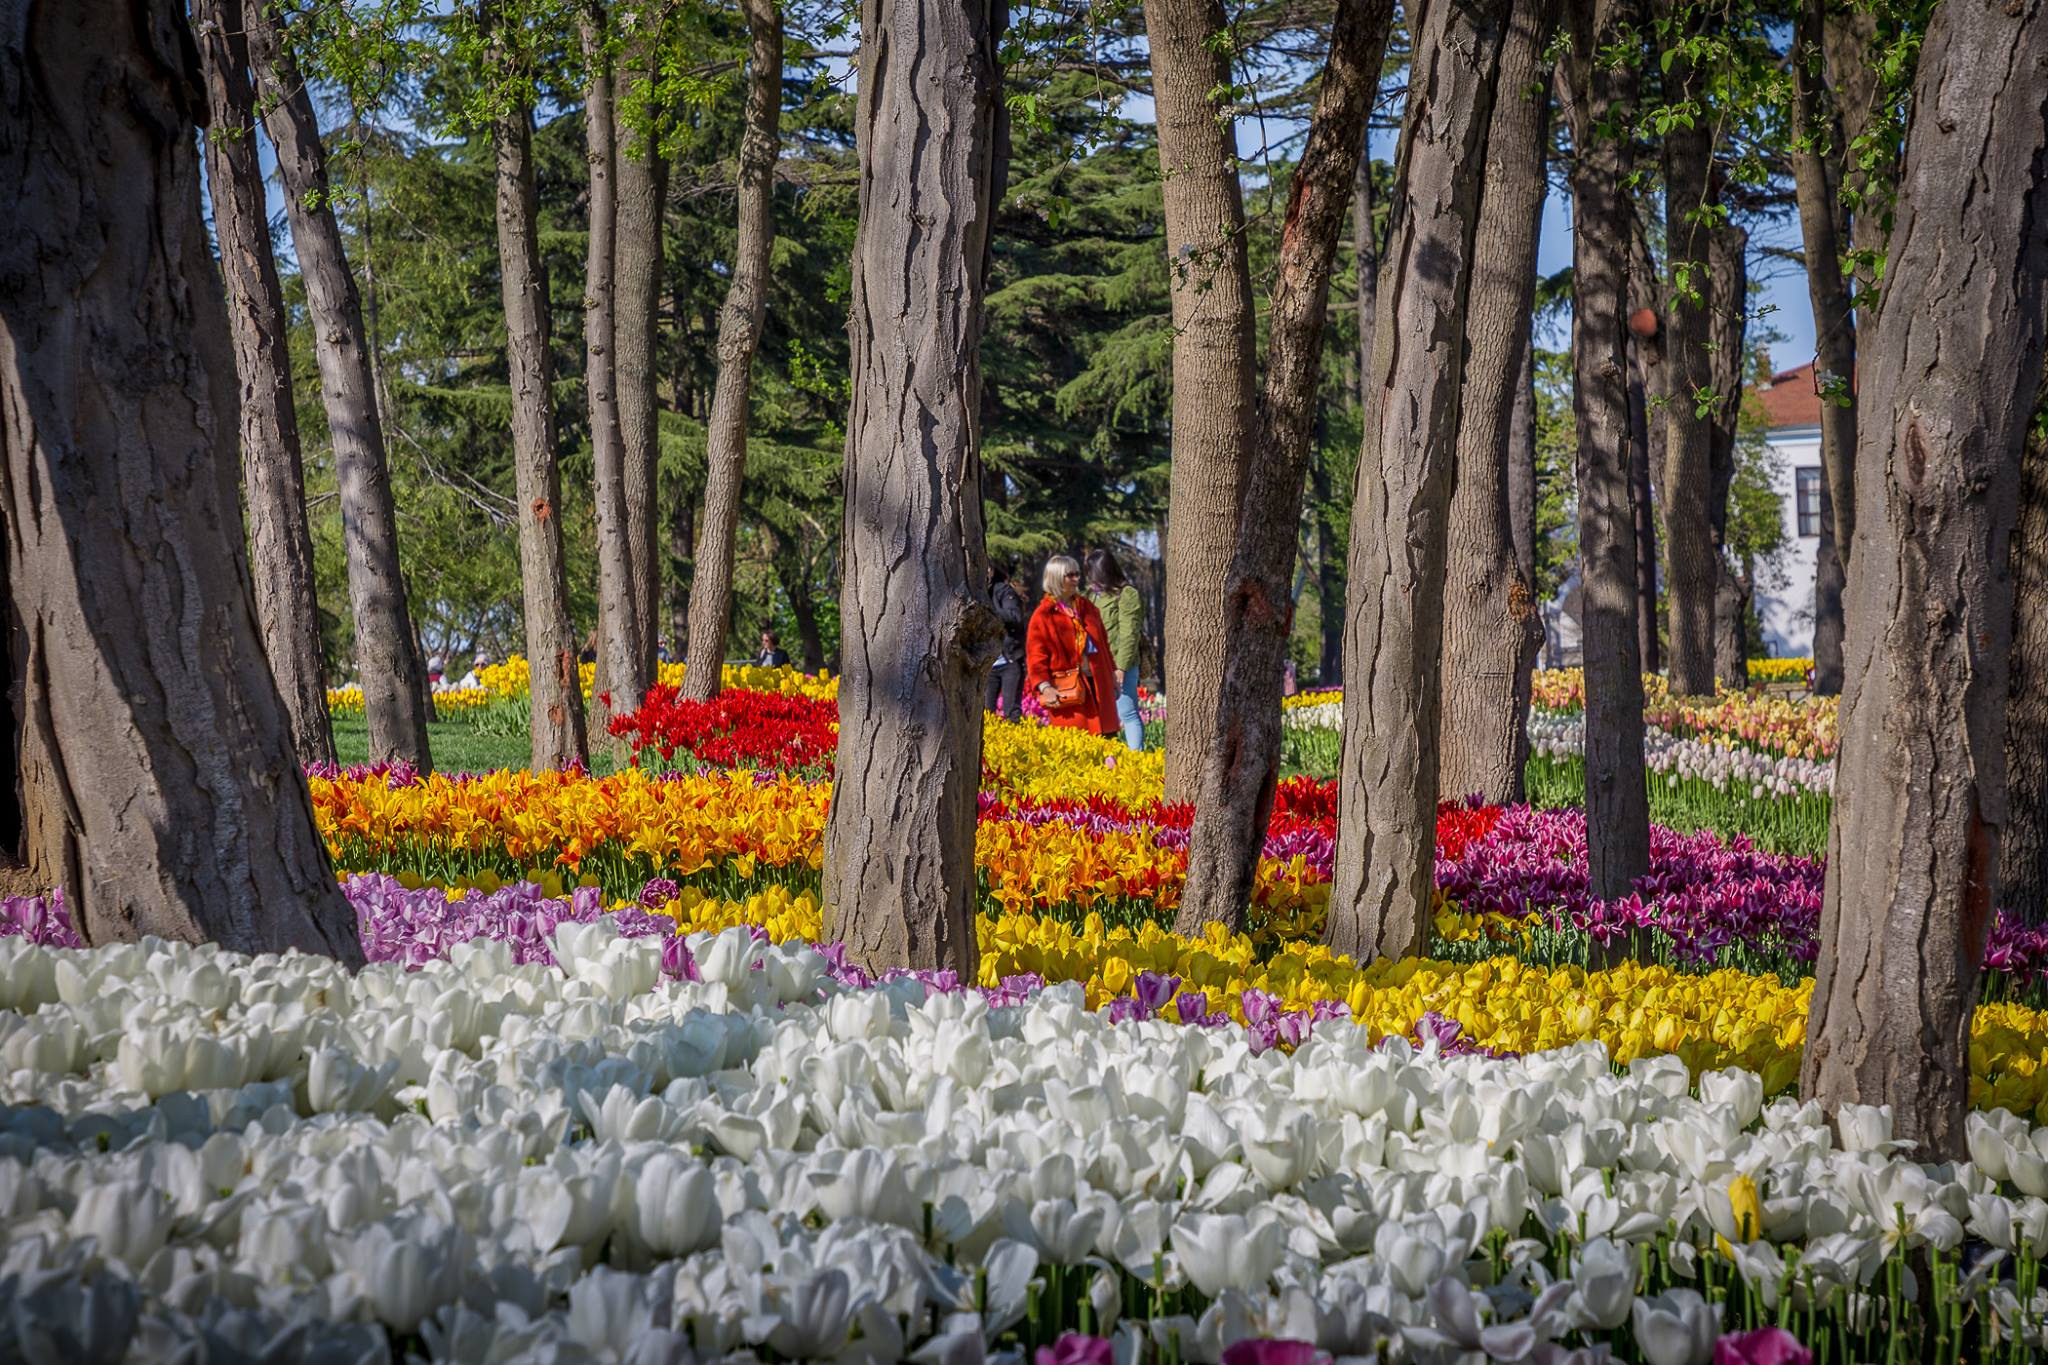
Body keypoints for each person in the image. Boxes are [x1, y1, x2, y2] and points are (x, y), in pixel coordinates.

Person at [1025, 555, 1118, 736]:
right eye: (1070, 575)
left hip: (1099, 683)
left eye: (1077, 574)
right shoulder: (1043, 615)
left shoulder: (1087, 607)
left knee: (1108, 743)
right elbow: (1036, 658)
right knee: (1078, 747)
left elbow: (1104, 645)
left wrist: (1113, 674)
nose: (1076, 579)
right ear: (1056, 578)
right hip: (1069, 692)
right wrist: (1046, 687)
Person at [1085, 548, 1146, 750]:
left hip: (1120, 664)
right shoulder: (1092, 596)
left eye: (1093, 574)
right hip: (1097, 664)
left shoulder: (1126, 594)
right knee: (1101, 715)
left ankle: (1135, 758)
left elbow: (1130, 634)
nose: (1090, 579)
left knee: (1126, 712)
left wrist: (1121, 667)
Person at [985, 559, 1028, 717]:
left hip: (1009, 659)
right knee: (985, 713)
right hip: (988, 662)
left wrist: (989, 610)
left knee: (1012, 712)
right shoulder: (979, 591)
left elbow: (1015, 617)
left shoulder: (1003, 591)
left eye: (988, 568)